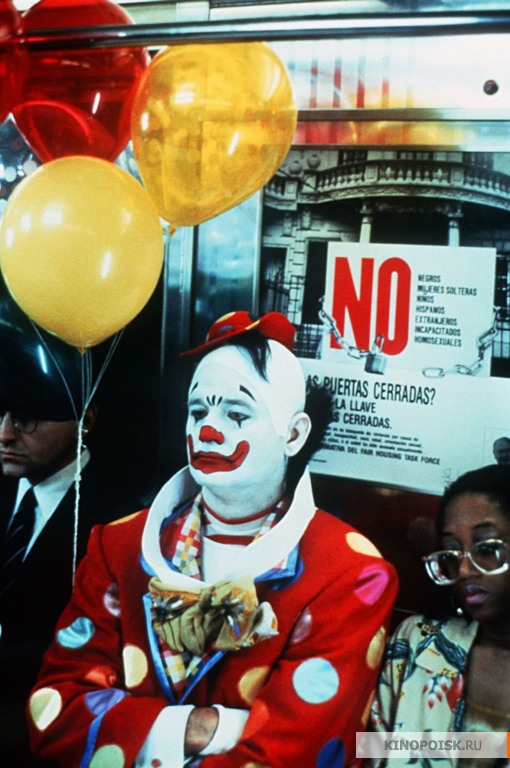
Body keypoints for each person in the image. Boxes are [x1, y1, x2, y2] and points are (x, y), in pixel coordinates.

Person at [28, 310, 398, 768]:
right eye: (198, 411)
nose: (207, 431)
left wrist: (136, 729)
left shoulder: (349, 573)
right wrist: (210, 727)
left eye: (237, 414)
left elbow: (297, 753)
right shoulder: (119, 545)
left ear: (293, 434)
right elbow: (54, 711)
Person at [0, 301, 145, 766]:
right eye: (0, 414)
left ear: (86, 420)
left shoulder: (118, 521)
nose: (5, 434)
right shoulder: (6, 485)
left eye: (26, 418)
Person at [370, 464, 510, 767]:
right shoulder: (417, 643)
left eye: (486, 549)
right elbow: (369, 750)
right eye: (451, 552)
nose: (464, 570)